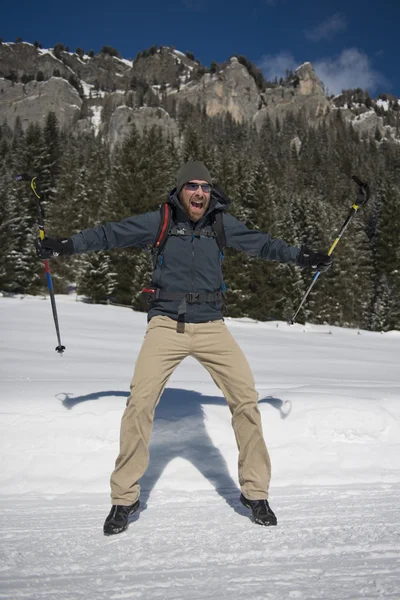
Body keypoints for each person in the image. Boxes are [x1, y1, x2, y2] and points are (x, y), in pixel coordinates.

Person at [37, 161, 332, 533]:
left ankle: (255, 493)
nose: (199, 193)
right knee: (139, 404)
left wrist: (305, 257)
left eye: (205, 187)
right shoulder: (160, 220)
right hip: (166, 324)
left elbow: (265, 245)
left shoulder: (221, 224)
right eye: (192, 186)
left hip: (211, 325)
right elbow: (111, 234)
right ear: (180, 191)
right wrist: (65, 246)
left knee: (246, 401)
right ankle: (124, 499)